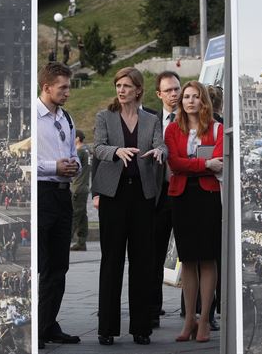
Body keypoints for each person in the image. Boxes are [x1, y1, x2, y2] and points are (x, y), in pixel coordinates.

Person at [92, 67, 167, 346]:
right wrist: (116, 151)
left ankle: (141, 327)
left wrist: (160, 151)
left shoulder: (151, 119)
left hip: (143, 195)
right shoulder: (105, 116)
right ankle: (107, 328)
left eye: (126, 86)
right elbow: (97, 147)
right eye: (117, 86)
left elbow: (162, 146)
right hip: (113, 195)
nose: (121, 90)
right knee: (111, 261)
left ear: (138, 90)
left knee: (142, 263)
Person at [166, 81, 223, 343]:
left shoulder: (216, 128)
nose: (189, 100)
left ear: (203, 101)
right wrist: (203, 163)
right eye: (186, 96)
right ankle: (189, 319)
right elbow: (174, 162)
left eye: (195, 96)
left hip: (207, 196)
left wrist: (194, 165)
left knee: (208, 258)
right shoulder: (172, 130)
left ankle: (204, 320)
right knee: (188, 259)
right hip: (181, 196)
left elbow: (219, 163)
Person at [36, 62, 81, 348]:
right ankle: (38, 327)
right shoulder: (33, 117)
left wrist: (73, 165)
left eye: (68, 86)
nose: (67, 92)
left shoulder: (66, 118)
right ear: (46, 87)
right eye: (62, 87)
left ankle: (48, 323)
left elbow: (72, 151)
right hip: (41, 193)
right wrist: (55, 166)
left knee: (59, 265)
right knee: (41, 263)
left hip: (63, 195)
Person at [150, 71, 181, 329]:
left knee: (192, 253)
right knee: (155, 252)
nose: (174, 94)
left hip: (187, 194)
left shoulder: (192, 118)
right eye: (169, 90)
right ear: (159, 94)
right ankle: (153, 307)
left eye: (176, 89)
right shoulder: (150, 119)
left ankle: (193, 309)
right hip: (160, 195)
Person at [70, 130, 90, 251]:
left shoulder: (79, 151)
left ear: (77, 139)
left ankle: (67, 239)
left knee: (74, 215)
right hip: (84, 186)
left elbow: (72, 167)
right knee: (82, 215)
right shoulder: (87, 151)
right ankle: (81, 242)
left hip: (77, 186)